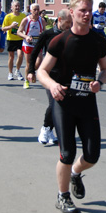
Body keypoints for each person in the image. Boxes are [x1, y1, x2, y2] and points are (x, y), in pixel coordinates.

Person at [37, 0, 106, 213]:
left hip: (87, 103)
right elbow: (42, 71)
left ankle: (76, 174)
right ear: (72, 12)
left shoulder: (98, 40)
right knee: (67, 153)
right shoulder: (60, 40)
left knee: (92, 155)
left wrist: (100, 81)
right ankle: (63, 196)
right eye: (82, 10)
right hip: (64, 103)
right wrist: (52, 86)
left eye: (89, 10)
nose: (87, 14)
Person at [27, 9, 73, 145]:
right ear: (59, 20)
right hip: (49, 74)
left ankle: (51, 130)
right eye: (68, 22)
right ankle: (45, 128)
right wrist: (31, 71)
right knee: (54, 103)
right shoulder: (47, 34)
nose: (70, 25)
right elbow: (35, 53)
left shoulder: (71, 35)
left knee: (63, 105)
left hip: (66, 74)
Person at [18, 3, 45, 89]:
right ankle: (26, 81)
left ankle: (32, 72)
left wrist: (42, 34)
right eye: (34, 10)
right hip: (28, 44)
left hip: (37, 44)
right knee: (29, 64)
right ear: (30, 11)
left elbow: (45, 31)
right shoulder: (26, 20)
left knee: (39, 62)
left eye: (38, 10)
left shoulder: (42, 20)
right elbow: (18, 31)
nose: (37, 12)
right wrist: (26, 37)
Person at [2, 0, 26, 81]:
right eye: (15, 6)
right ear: (12, 7)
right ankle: (10, 73)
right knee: (11, 57)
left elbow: (26, 26)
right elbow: (3, 28)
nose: (17, 7)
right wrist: (11, 26)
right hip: (11, 39)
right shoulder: (8, 17)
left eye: (18, 6)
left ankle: (17, 70)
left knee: (20, 55)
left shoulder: (23, 16)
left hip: (20, 38)